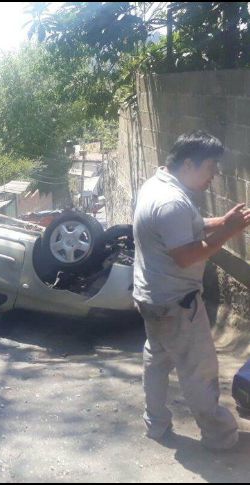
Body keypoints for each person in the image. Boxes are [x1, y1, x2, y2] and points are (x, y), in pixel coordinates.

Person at [133, 131, 250, 450]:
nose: (214, 176)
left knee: (157, 359)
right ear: (188, 164)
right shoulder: (171, 202)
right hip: (176, 303)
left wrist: (221, 221)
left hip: (151, 297)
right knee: (199, 372)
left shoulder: (156, 185)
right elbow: (186, 256)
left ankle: (155, 423)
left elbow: (184, 226)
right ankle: (221, 437)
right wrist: (228, 232)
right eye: (210, 167)